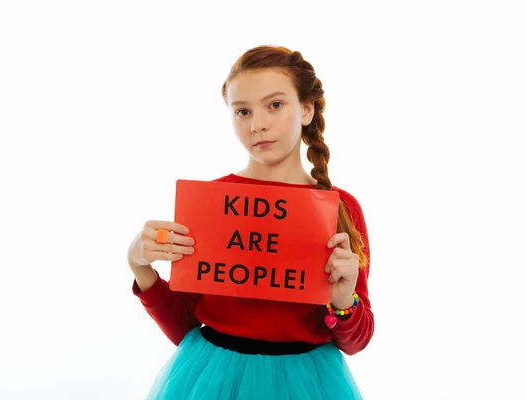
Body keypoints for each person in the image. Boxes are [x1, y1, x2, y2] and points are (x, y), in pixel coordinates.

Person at [127, 45, 374, 399]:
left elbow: (356, 341)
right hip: (211, 377)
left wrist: (341, 298)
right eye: (242, 111)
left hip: (308, 382)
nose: (258, 124)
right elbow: (185, 326)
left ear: (306, 109)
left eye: (275, 105)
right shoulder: (213, 201)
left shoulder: (341, 208)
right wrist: (140, 268)